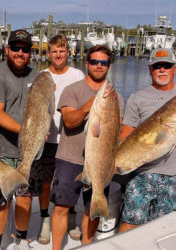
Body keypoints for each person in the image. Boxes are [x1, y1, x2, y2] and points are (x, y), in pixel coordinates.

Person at [50, 45, 124, 250]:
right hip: (70, 158)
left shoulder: (115, 97)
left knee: (91, 209)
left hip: (100, 162)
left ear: (109, 66)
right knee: (62, 207)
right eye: (95, 62)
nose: (99, 66)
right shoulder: (72, 90)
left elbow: (114, 134)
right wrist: (88, 106)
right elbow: (70, 121)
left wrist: (114, 161)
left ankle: (86, 246)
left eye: (104, 63)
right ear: (87, 63)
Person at [0, 29, 40, 250]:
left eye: (25, 49)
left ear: (30, 52)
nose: (20, 52)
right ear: (8, 50)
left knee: (24, 199)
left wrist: (40, 129)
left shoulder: (37, 77)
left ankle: (21, 242)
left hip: (27, 152)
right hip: (0, 152)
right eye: (16, 48)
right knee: (2, 201)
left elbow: (45, 111)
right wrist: (30, 132)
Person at [118, 48, 176, 232]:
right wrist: (115, 161)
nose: (162, 69)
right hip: (141, 174)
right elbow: (126, 133)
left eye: (167, 65)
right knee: (131, 223)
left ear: (174, 68)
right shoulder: (137, 98)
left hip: (174, 175)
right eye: (157, 66)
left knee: (164, 229)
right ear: (150, 69)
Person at [37, 34, 85, 245]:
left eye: (62, 51)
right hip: (48, 138)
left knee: (73, 180)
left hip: (72, 138)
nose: (58, 55)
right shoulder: (42, 75)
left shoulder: (77, 74)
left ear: (68, 53)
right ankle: (45, 219)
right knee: (46, 181)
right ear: (49, 54)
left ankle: (72, 216)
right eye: (54, 51)